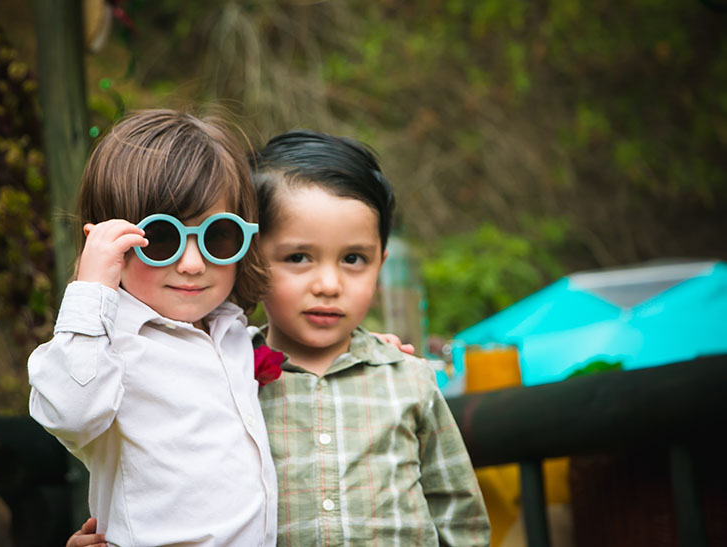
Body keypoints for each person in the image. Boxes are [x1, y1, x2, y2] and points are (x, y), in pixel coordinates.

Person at [66, 129, 490, 547]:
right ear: (248, 254)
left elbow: (457, 513)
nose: (328, 285)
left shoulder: (407, 379)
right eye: (298, 257)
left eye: (353, 258)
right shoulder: (225, 373)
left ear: (381, 262)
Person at [28, 110, 277, 547]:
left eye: (218, 236)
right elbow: (69, 414)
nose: (193, 264)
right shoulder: (105, 347)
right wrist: (91, 289)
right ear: (108, 245)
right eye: (161, 239)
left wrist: (380, 349)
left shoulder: (233, 332)